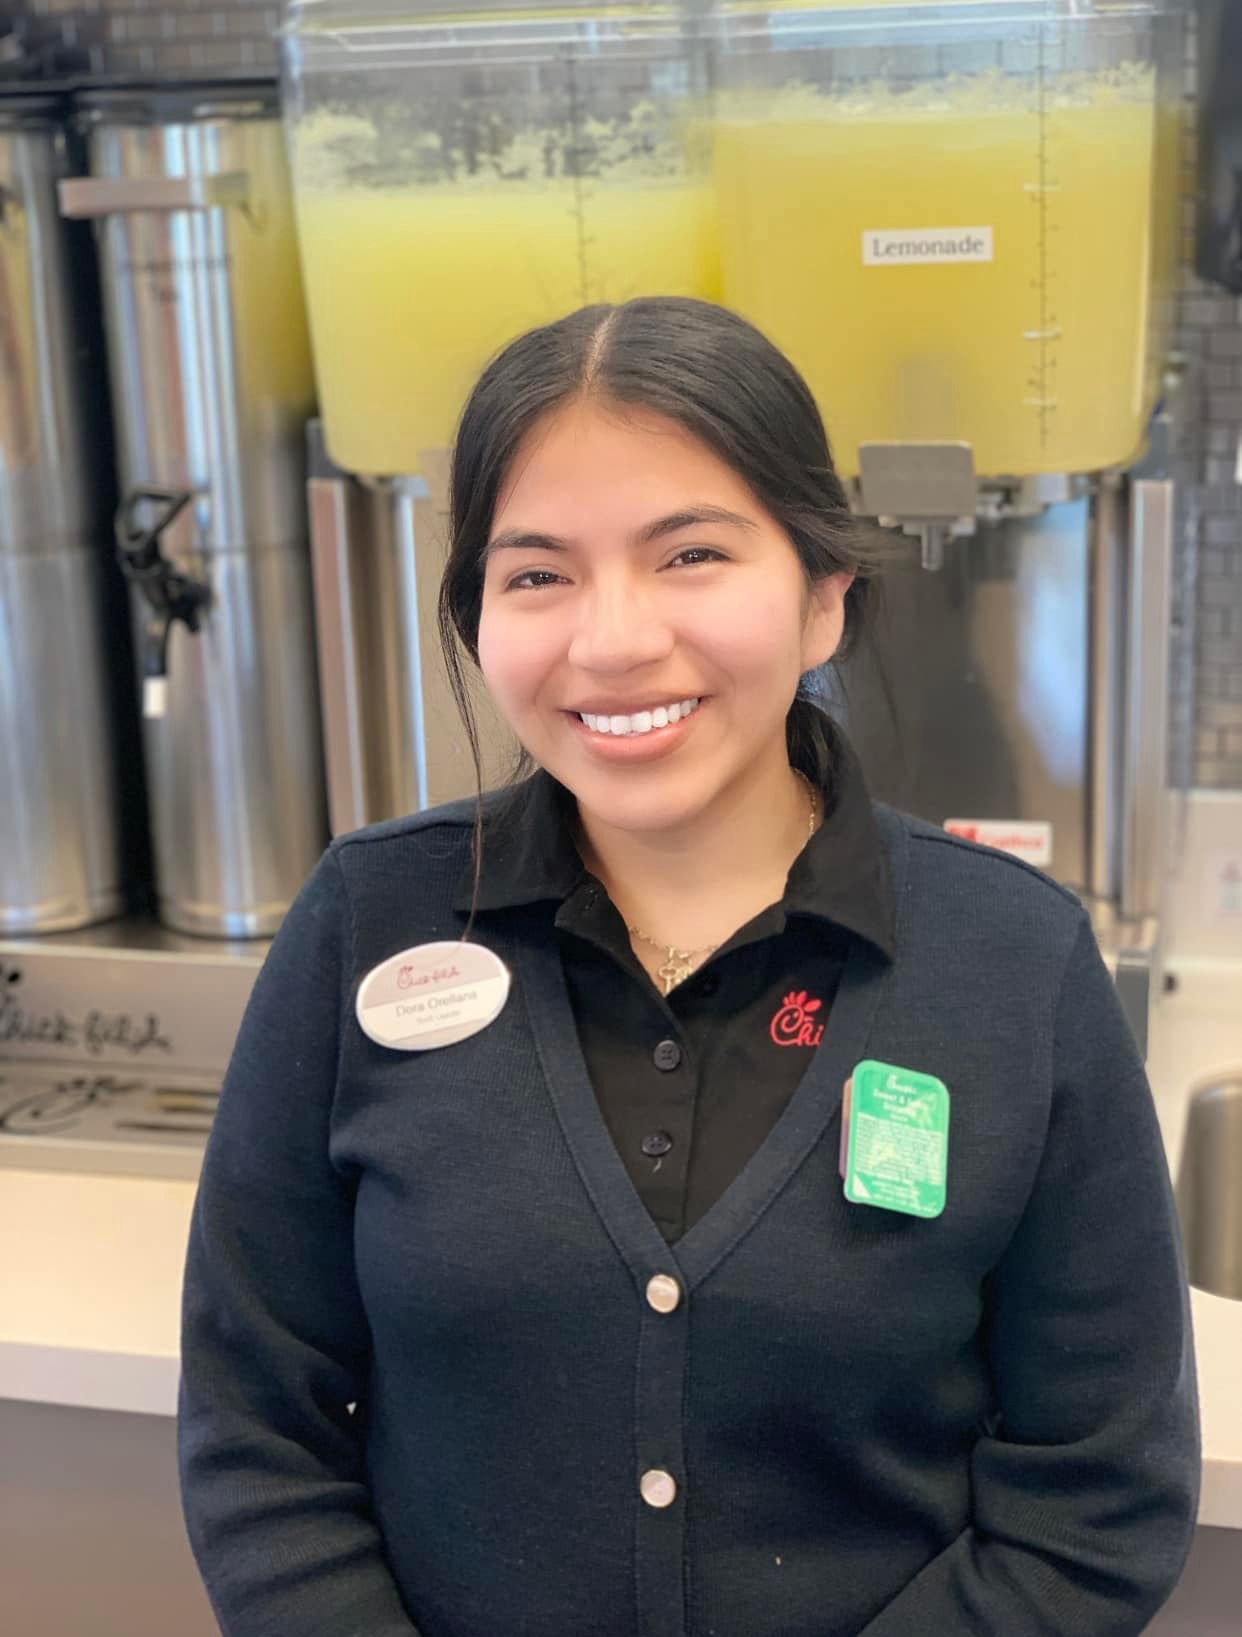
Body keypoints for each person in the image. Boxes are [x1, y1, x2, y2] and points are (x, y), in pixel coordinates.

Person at [177, 297, 1200, 1637]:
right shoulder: (368, 919)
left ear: (823, 594)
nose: (611, 640)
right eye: (536, 575)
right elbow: (257, 1428)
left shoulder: (1013, 962)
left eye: (691, 554)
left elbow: (1096, 1496)